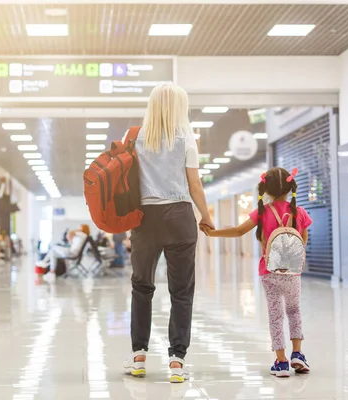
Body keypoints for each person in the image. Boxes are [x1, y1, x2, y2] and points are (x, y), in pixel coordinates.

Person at [122, 83, 214, 383]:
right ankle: (176, 361)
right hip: (179, 217)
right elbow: (194, 185)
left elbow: (126, 183)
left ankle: (139, 357)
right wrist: (206, 216)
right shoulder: (186, 139)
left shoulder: (133, 138)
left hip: (145, 219)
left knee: (142, 286)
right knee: (182, 291)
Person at [203, 167, 312, 378]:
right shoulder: (300, 212)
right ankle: (297, 354)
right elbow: (303, 240)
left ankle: (281, 362)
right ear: (290, 188)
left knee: (275, 315)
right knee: (294, 311)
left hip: (269, 271)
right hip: (292, 272)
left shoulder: (262, 212)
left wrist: (213, 233)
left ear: (266, 190)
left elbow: (238, 231)